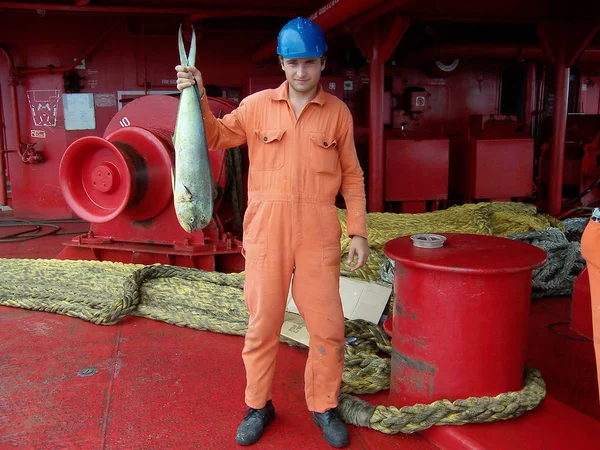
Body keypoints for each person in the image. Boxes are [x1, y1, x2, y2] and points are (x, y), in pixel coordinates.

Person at [175, 16, 370, 448]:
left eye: (310, 63)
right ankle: (258, 405)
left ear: (322, 64)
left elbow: (352, 176)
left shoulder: (337, 113)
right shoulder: (257, 105)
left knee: (329, 327)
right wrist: (196, 92)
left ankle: (323, 405)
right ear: (282, 64)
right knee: (263, 325)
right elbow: (216, 136)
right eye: (294, 63)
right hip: (266, 229)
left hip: (319, 230)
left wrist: (357, 230)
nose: (302, 72)